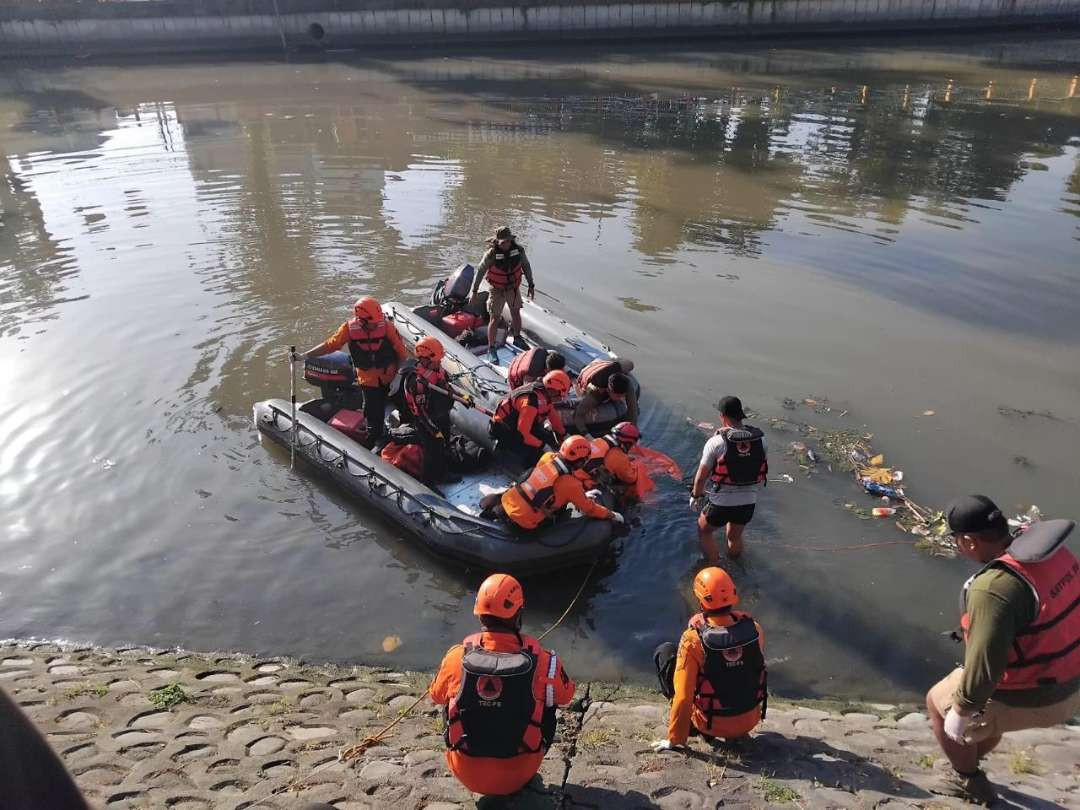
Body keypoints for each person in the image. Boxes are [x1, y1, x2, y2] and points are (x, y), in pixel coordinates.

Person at [925, 495, 1080, 805]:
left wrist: (962, 710)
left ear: (969, 541)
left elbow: (985, 667)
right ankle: (973, 749)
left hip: (1043, 697)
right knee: (981, 709)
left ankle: (966, 780)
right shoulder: (1053, 554)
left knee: (937, 702)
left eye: (956, 540)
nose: (956, 546)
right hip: (1073, 678)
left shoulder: (993, 588)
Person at [429, 573, 576, 796]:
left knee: (451, 699)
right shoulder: (545, 662)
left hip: (464, 771)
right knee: (548, 701)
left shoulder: (456, 657)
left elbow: (436, 695)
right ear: (519, 615)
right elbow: (566, 696)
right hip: (520, 772)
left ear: (479, 614)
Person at [652, 567, 767, 752]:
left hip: (711, 723)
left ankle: (690, 728)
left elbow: (684, 695)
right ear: (733, 594)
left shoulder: (693, 639)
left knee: (665, 652)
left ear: (700, 600)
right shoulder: (755, 629)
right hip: (749, 719)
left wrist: (674, 739)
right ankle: (737, 731)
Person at [301, 296, 407, 447]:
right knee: (373, 418)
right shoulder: (349, 329)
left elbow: (402, 355)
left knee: (406, 409)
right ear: (361, 320)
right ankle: (374, 445)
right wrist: (305, 355)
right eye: (372, 324)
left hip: (390, 377)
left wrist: (398, 377)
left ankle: (402, 435)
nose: (376, 325)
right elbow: (330, 345)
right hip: (368, 382)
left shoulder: (387, 327)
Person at [689, 396, 767, 561]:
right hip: (748, 502)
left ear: (722, 416)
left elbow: (701, 477)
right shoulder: (761, 440)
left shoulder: (716, 442)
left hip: (721, 503)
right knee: (734, 537)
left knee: (704, 530)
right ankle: (735, 564)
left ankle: (713, 566)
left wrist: (696, 497)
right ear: (741, 415)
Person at [498, 435, 625, 531]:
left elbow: (543, 483)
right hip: (524, 521)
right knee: (561, 513)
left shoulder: (547, 457)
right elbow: (590, 509)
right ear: (580, 461)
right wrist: (611, 514)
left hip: (507, 501)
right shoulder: (571, 484)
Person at [401, 336, 468, 484]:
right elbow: (420, 412)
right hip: (426, 421)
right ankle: (428, 481)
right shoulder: (416, 382)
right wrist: (432, 430)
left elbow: (446, 388)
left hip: (441, 414)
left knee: (444, 445)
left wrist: (462, 397)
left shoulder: (438, 369)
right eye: (436, 360)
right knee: (432, 451)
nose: (439, 362)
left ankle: (443, 473)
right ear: (425, 359)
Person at [469, 226, 536, 361]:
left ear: (511, 240)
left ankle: (517, 338)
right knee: (495, 318)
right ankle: (491, 347)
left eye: (507, 241)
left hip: (513, 288)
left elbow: (526, 266)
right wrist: (474, 291)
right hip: (497, 290)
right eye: (502, 242)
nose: (505, 244)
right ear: (497, 242)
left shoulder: (519, 250)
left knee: (516, 312)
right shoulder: (491, 254)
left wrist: (531, 284)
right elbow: (480, 272)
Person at [489, 369, 571, 467]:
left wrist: (564, 434)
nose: (560, 398)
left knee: (548, 438)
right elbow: (523, 434)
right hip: (506, 430)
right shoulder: (530, 403)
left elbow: (553, 416)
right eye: (559, 394)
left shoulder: (544, 393)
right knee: (535, 455)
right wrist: (543, 446)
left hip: (520, 424)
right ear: (553, 390)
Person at [572, 357, 638, 435]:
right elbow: (578, 415)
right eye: (617, 396)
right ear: (608, 390)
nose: (620, 398)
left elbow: (632, 410)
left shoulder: (627, 383)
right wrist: (586, 434)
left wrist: (633, 431)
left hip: (607, 365)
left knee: (630, 364)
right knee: (581, 394)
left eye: (622, 396)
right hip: (590, 370)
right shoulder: (597, 393)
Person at [577, 421, 642, 497]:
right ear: (628, 443)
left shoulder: (599, 441)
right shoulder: (619, 457)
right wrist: (636, 467)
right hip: (586, 486)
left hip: (576, 476)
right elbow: (630, 478)